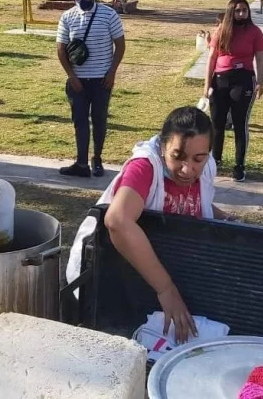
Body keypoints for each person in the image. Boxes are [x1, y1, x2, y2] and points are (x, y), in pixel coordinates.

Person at [67, 106, 228, 344]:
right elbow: (118, 221)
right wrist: (166, 290)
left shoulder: (206, 167)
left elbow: (192, 201)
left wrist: (224, 218)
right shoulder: (144, 168)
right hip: (103, 274)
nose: (188, 169)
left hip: (149, 274)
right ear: (162, 147)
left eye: (198, 159)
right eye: (178, 156)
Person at [56, 0, 126, 178]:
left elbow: (120, 45)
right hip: (77, 81)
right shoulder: (67, 16)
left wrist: (112, 73)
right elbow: (61, 49)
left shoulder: (109, 15)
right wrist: (72, 76)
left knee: (99, 120)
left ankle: (97, 159)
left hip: (101, 80)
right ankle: (81, 163)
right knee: (80, 121)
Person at [203, 0, 263, 182]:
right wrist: (207, 84)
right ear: (231, 12)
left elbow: (260, 59)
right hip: (220, 80)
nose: (241, 14)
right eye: (238, 11)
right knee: (217, 123)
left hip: (243, 80)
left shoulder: (255, 32)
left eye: (244, 11)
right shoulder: (221, 31)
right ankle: (215, 160)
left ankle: (239, 165)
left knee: (240, 124)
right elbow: (211, 58)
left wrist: (260, 82)